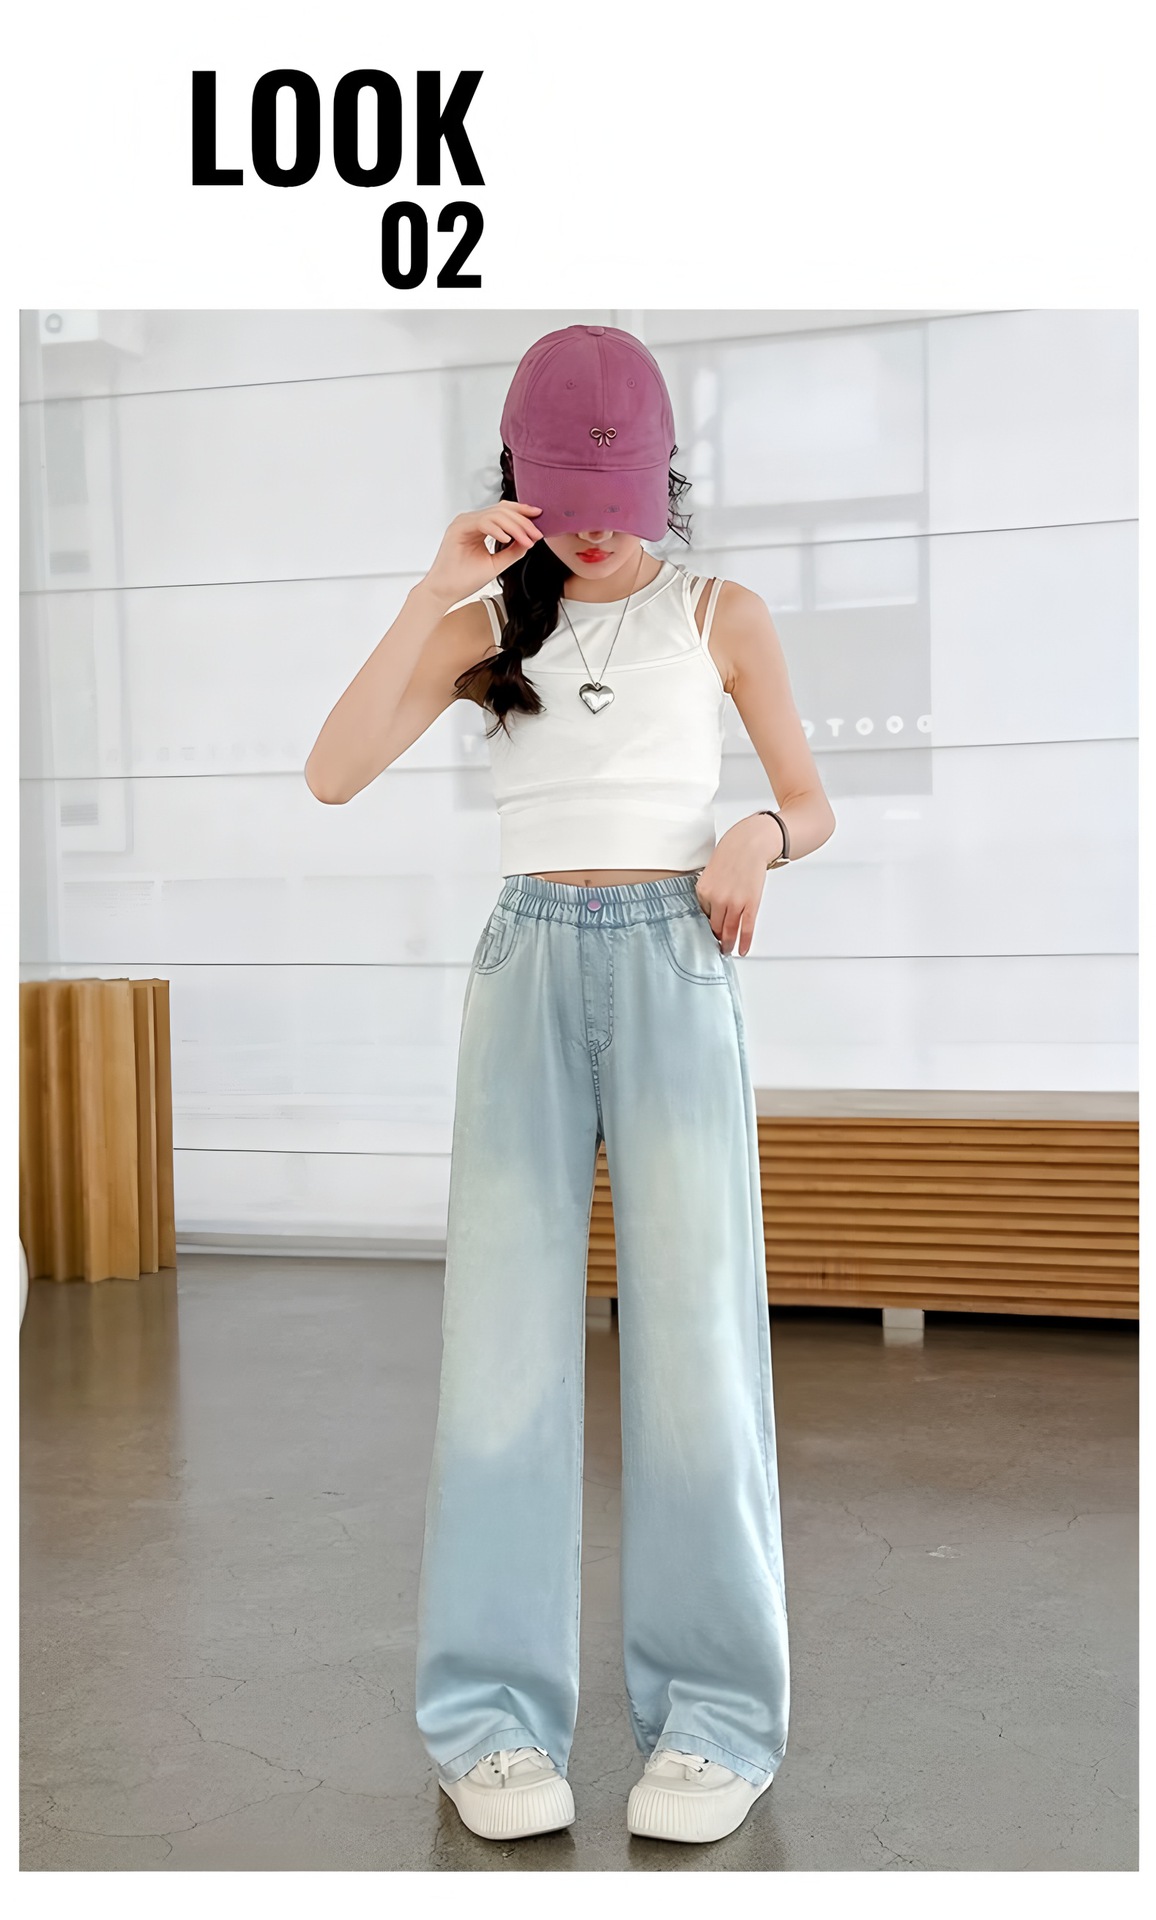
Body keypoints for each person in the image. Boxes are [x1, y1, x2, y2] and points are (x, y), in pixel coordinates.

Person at [305, 324, 836, 1846]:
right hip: (526, 960)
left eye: (619, 500)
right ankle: (490, 1721)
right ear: (519, 482)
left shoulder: (721, 612)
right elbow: (333, 770)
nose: (597, 530)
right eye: (568, 500)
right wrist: (432, 589)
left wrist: (754, 838)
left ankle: (715, 1719)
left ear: (661, 479)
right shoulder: (487, 622)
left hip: (677, 960)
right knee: (502, 1356)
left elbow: (808, 801)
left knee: (699, 1352)